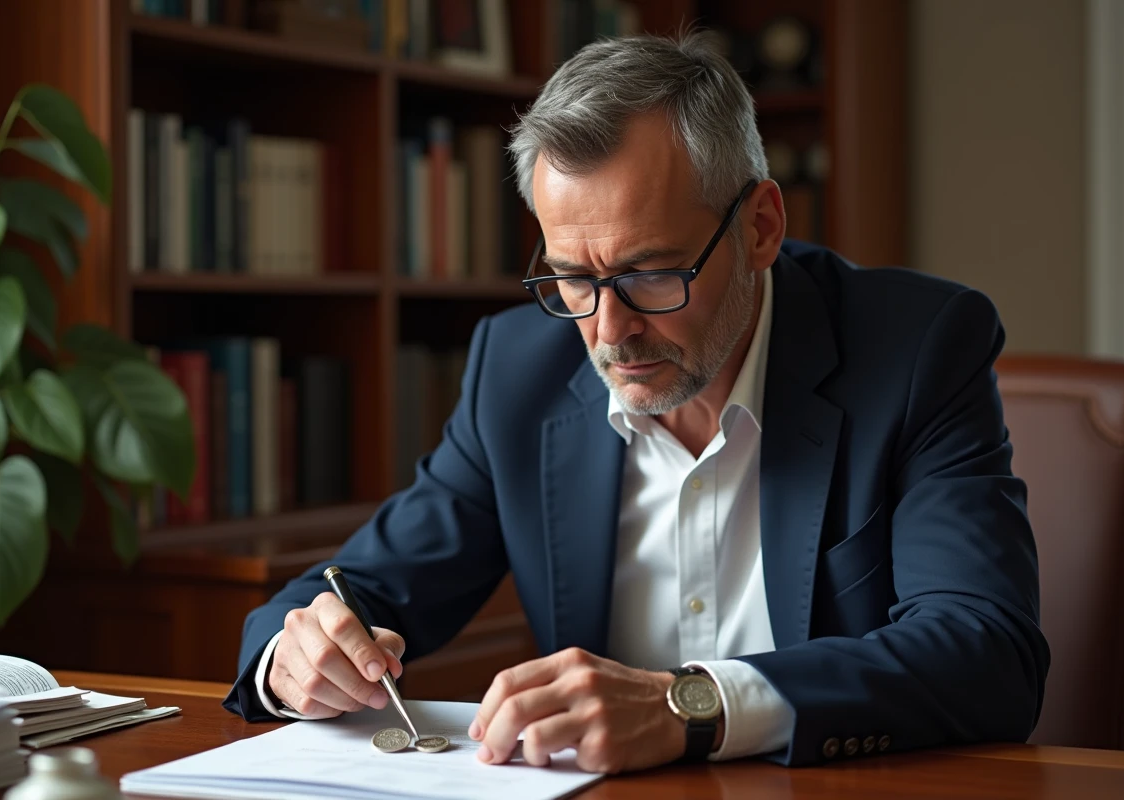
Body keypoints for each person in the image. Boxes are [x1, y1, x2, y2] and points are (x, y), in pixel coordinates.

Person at [222, 31, 1050, 771]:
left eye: (652, 272)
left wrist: (690, 706)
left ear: (761, 226)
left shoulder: (916, 349)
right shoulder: (520, 368)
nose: (609, 330)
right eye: (572, 278)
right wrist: (296, 654)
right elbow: (358, 588)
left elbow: (986, 651)